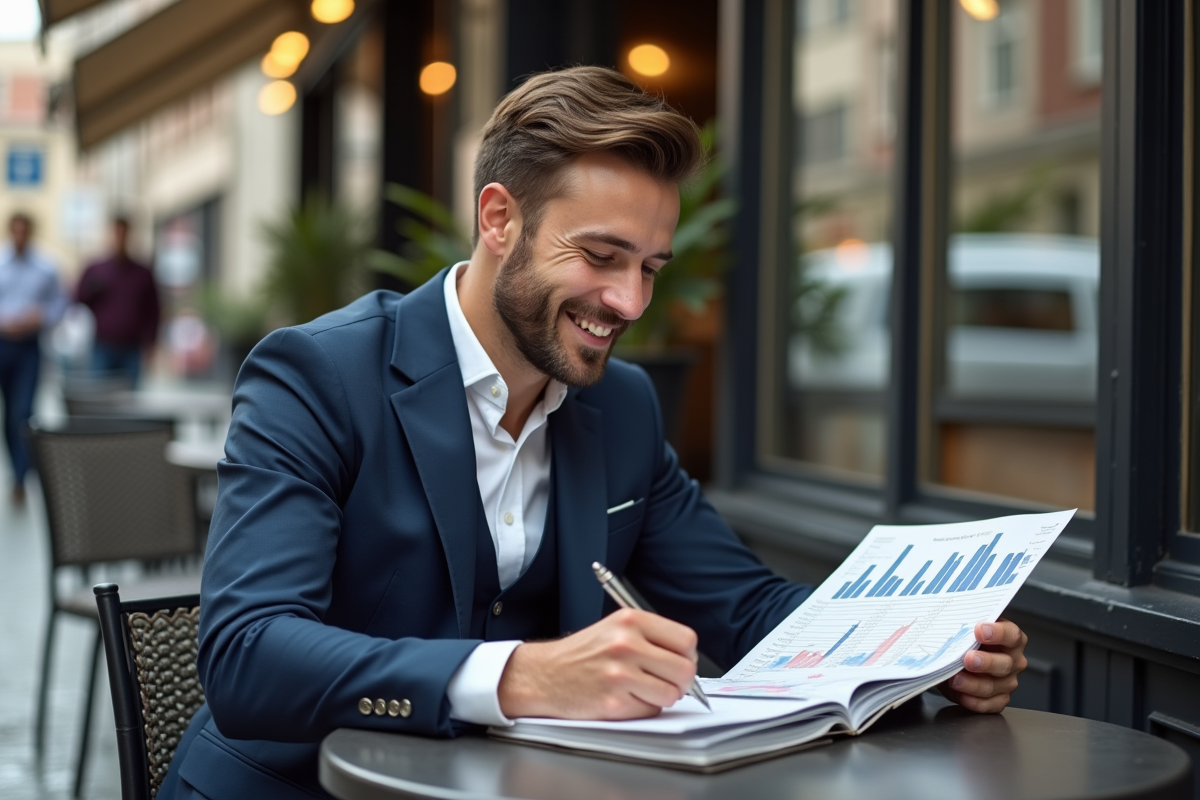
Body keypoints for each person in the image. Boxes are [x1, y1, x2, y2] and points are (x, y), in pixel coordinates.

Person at [162, 67, 1028, 800]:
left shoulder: (624, 408)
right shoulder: (317, 375)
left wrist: (925, 655)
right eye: (602, 257)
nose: (631, 302)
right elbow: (247, 655)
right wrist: (523, 676)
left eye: (650, 268)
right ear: (499, 220)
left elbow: (748, 608)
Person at [0, 212, 67, 506]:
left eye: (23, 232)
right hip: (2, 343)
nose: (19, 237)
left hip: (29, 346)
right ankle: (16, 469)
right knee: (8, 415)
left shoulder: (46, 267)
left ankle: (20, 476)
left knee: (23, 411)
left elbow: (60, 304)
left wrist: (40, 317)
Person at [74, 215, 160, 387]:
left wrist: (151, 343)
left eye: (124, 233)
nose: (120, 238)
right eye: (116, 233)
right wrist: (92, 290)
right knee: (100, 394)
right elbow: (77, 298)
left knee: (129, 396)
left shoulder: (142, 273)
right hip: (103, 344)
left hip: (132, 346)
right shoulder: (96, 269)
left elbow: (153, 310)